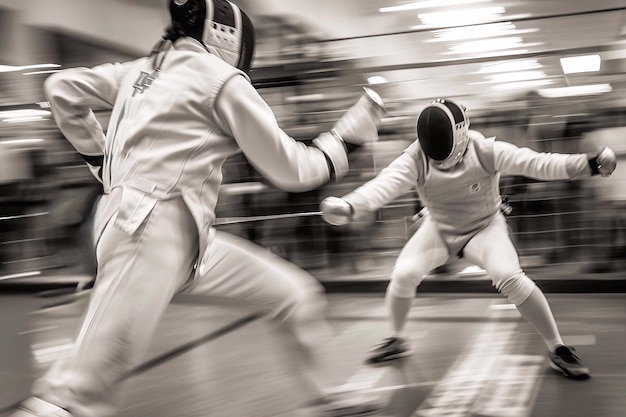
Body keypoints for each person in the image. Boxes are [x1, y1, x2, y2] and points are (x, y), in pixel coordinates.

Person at [10, 1, 386, 416]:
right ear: (228, 35)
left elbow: (61, 88)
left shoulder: (142, 70)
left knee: (294, 295)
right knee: (76, 394)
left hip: (184, 240)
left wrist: (101, 159)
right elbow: (294, 169)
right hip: (147, 237)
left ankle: (329, 397)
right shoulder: (222, 80)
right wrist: (348, 138)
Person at [320, 98, 617, 380]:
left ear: (460, 135)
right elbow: (385, 183)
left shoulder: (485, 149)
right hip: (438, 227)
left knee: (509, 276)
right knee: (404, 273)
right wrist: (350, 207)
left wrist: (588, 164)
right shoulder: (416, 156)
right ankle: (396, 339)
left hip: (484, 228)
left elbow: (537, 163)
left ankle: (558, 347)